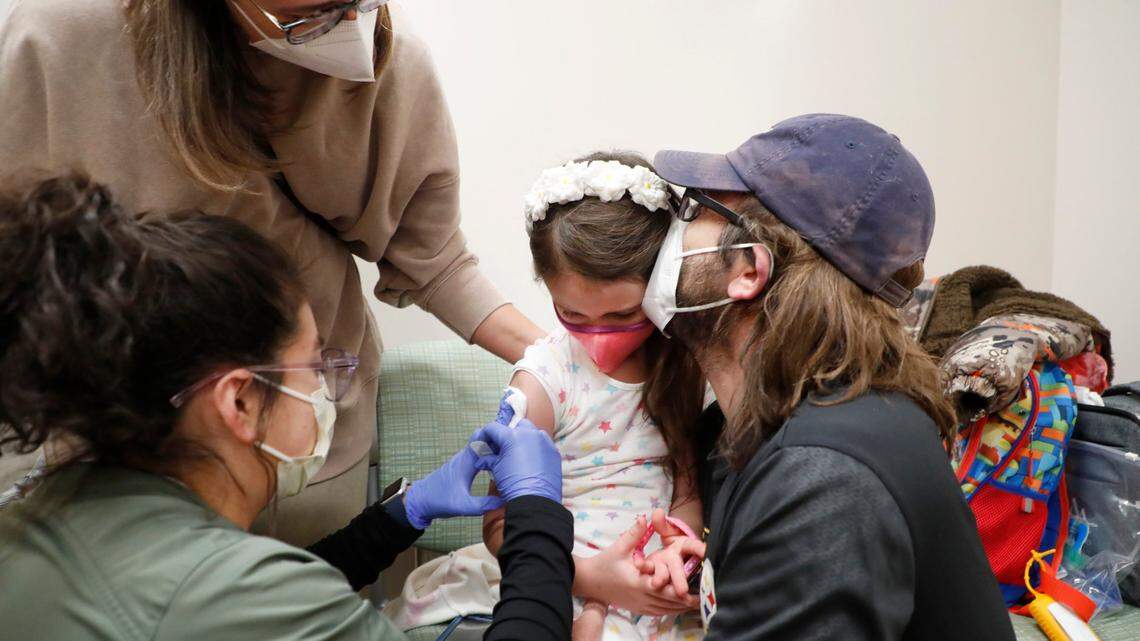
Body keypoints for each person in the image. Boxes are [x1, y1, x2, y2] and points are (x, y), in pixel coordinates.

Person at [0, 0, 543, 545]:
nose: (347, 28)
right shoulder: (60, 40)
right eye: (308, 19)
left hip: (301, 460)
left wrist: (558, 360)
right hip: (109, 457)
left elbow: (437, 261)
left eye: (351, 5)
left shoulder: (386, 61)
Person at [0, 174, 569, 641]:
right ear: (241, 400)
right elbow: (273, 605)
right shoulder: (231, 594)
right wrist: (536, 514)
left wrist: (401, 515)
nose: (326, 388)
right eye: (313, 367)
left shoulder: (48, 506)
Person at [641, 114, 1018, 640]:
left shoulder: (821, 480)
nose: (674, 234)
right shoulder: (824, 419)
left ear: (749, 268)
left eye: (695, 210)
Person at [480, 152, 707, 641]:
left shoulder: (681, 368)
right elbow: (502, 528)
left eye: (624, 316)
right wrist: (590, 579)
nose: (599, 335)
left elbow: (686, 492)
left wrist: (677, 550)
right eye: (573, 315)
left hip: (654, 594)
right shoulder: (543, 380)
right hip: (556, 581)